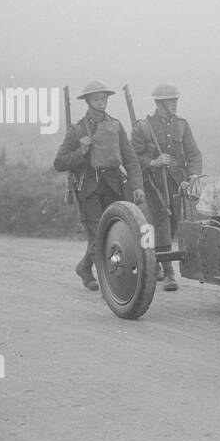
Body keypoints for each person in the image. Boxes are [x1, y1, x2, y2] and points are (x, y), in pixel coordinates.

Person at [54, 81, 145, 291]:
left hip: (114, 186)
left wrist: (137, 186)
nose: (101, 101)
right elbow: (59, 163)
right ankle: (110, 284)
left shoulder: (116, 126)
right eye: (96, 98)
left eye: (103, 97)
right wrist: (81, 151)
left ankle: (85, 268)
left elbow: (131, 160)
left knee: (115, 233)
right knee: (98, 236)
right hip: (89, 189)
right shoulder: (76, 131)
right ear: (87, 101)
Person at [130, 83, 202, 292]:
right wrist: (153, 162)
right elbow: (132, 158)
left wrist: (193, 176)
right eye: (171, 101)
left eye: (176, 100)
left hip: (177, 183)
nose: (174, 104)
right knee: (161, 225)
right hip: (154, 184)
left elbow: (194, 154)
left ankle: (155, 264)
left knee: (174, 225)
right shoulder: (144, 127)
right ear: (159, 103)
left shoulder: (181, 125)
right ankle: (169, 273)